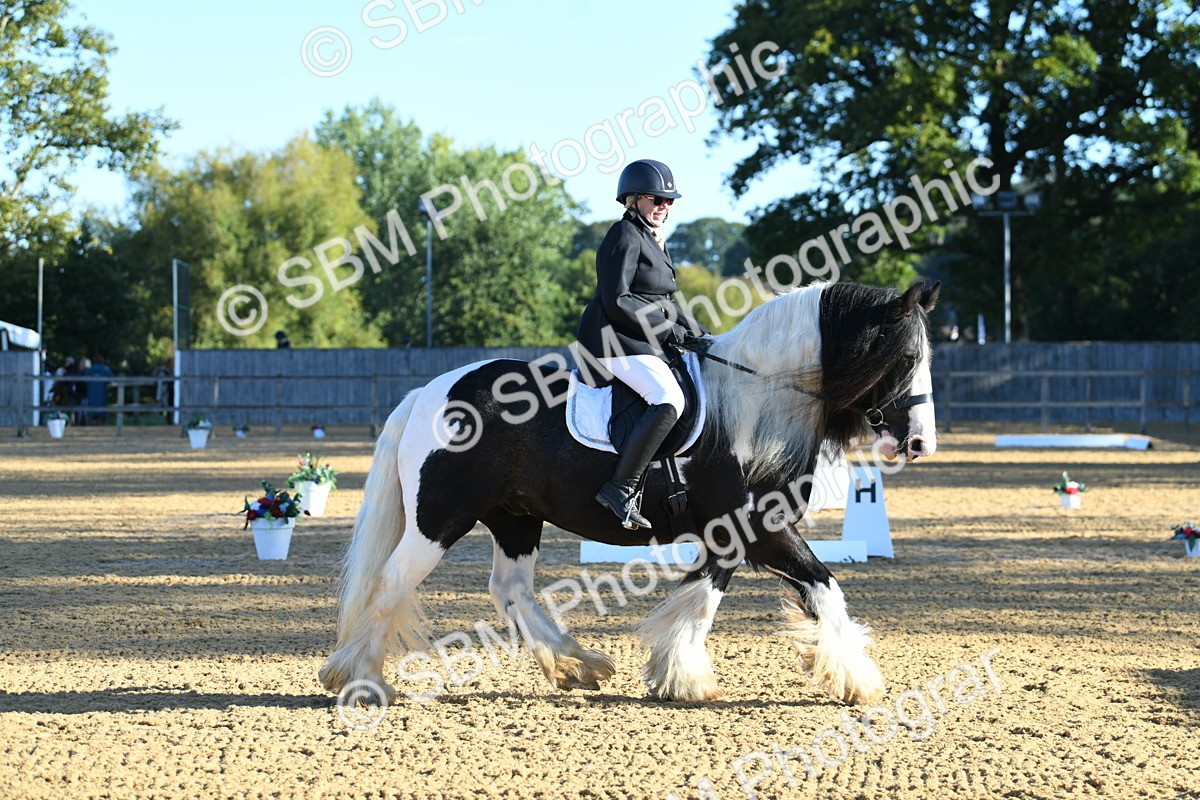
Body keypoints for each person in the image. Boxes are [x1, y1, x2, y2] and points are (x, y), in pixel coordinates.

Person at [576, 159, 709, 529]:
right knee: (669, 399)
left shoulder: (653, 241)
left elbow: (663, 301)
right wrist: (668, 329)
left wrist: (700, 332)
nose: (664, 206)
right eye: (656, 199)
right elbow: (617, 299)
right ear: (632, 200)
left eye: (669, 200)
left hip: (639, 338)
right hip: (611, 339)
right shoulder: (623, 235)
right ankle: (620, 487)